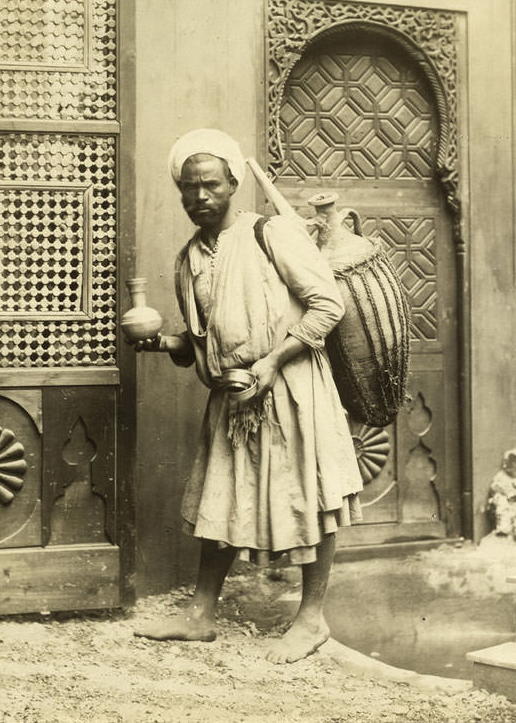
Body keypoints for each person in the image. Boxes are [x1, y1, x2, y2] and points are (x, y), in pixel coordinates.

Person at [131, 128, 363, 663]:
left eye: (210, 185)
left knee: (311, 494)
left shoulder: (271, 234)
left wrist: (271, 362)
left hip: (290, 383)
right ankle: (201, 615)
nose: (200, 198)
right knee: (223, 497)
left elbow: (327, 306)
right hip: (234, 395)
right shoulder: (187, 259)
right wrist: (160, 342)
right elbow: (195, 346)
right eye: (189, 189)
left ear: (234, 182)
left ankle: (311, 619)